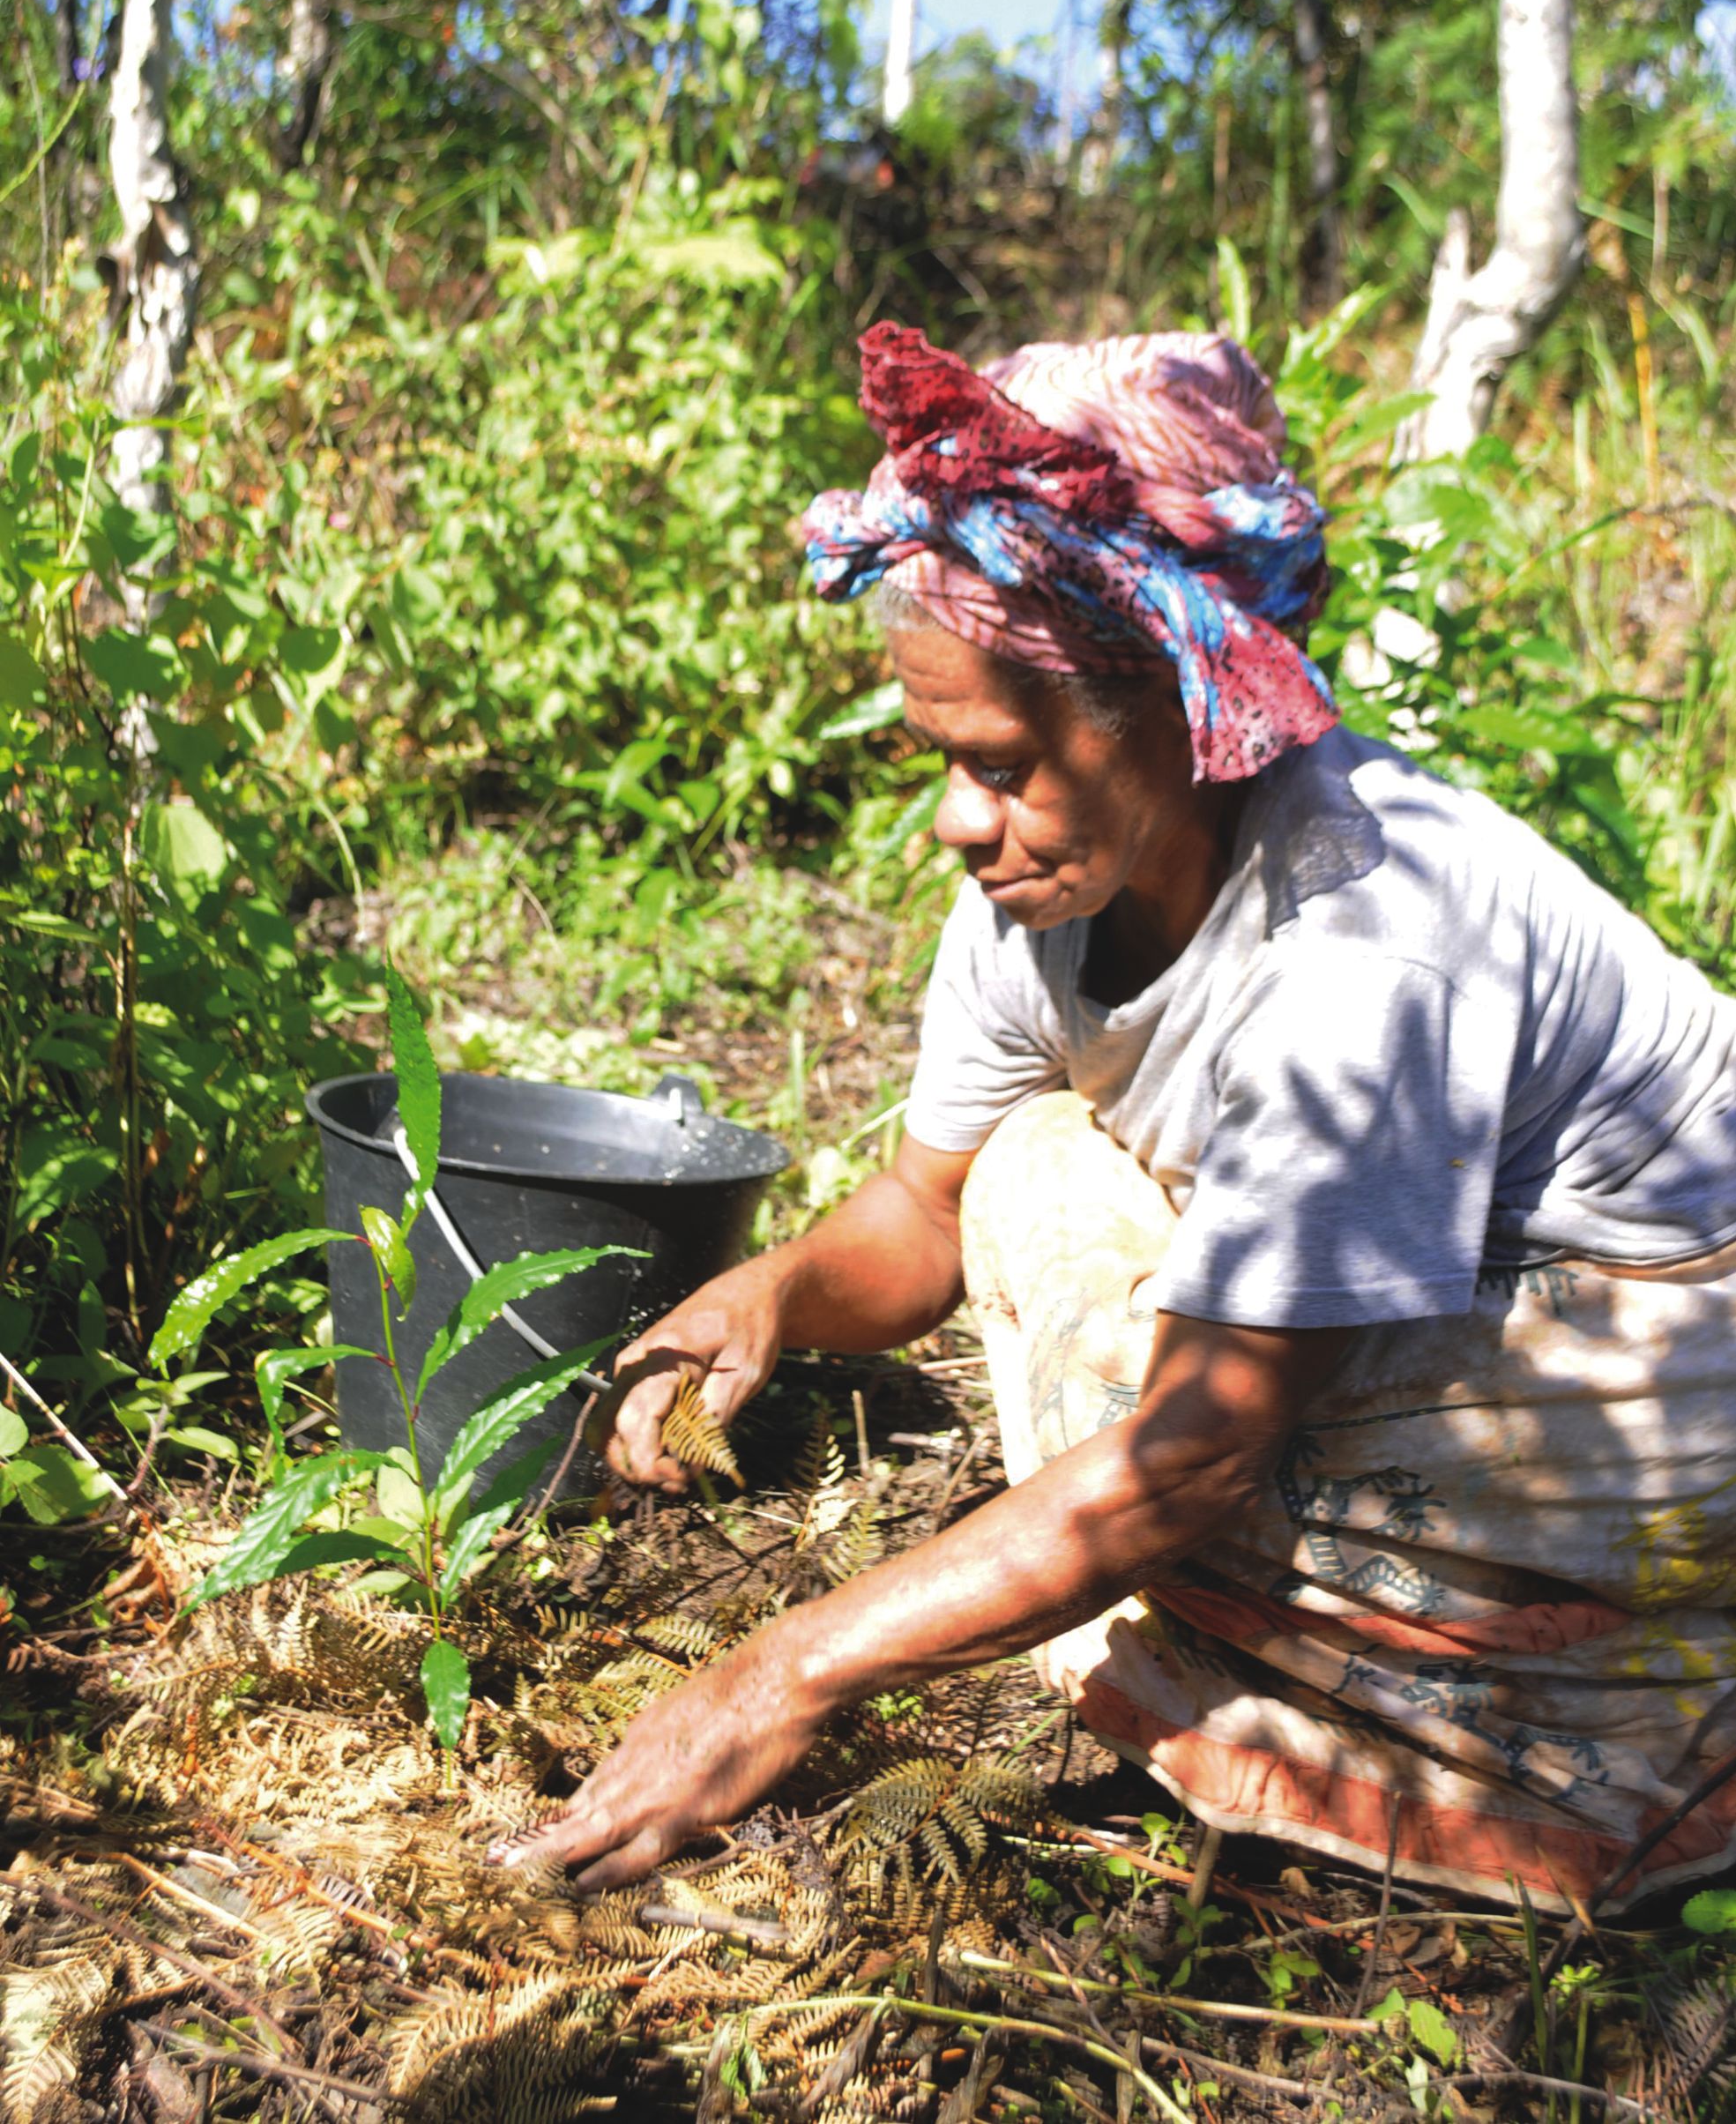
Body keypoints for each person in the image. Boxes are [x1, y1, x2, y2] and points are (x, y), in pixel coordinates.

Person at [495, 321, 1736, 1915]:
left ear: (1184, 699)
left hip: (1655, 1379)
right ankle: (1271, 1646)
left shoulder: (1364, 948)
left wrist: (779, 1676)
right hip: (1438, 1336)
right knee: (1028, 1165)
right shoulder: (1034, 887)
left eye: (1003, 762)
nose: (957, 816)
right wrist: (776, 1296)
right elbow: (928, 1211)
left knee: (1173, 1437)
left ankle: (1549, 1742)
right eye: (940, 756)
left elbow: (1192, 1459)